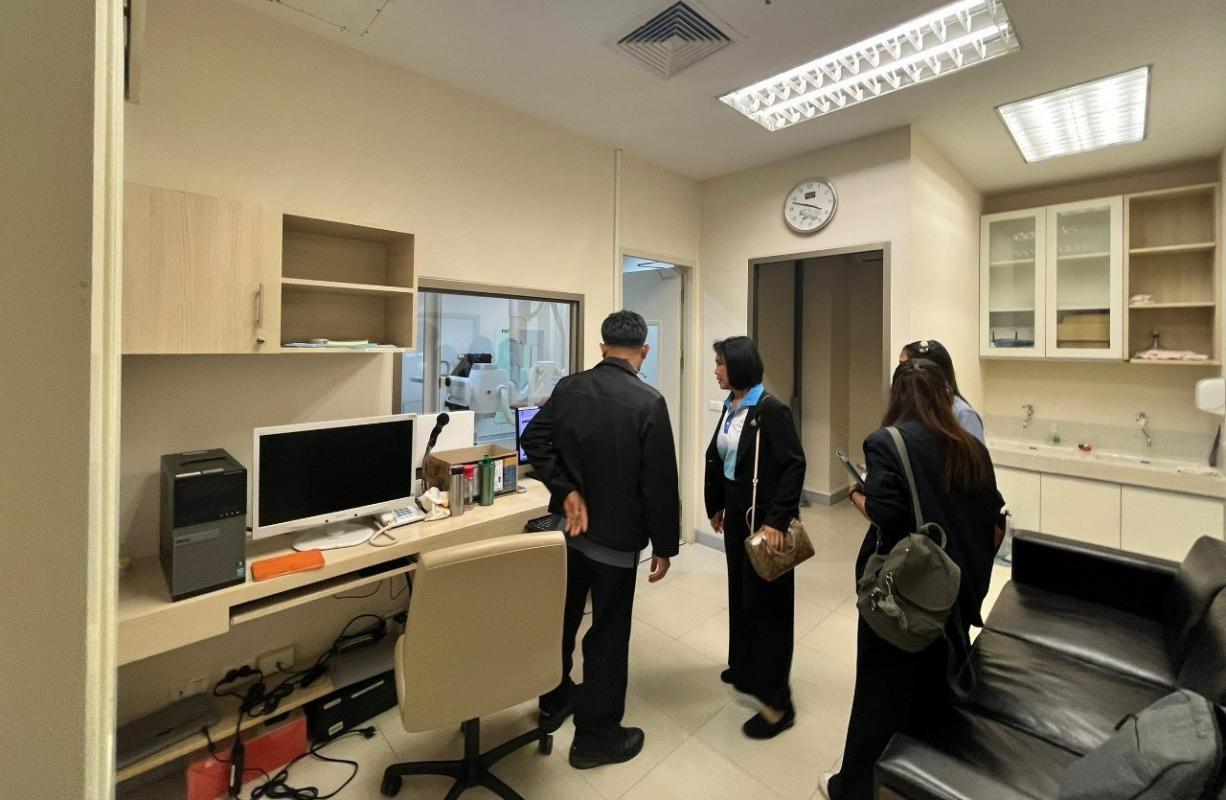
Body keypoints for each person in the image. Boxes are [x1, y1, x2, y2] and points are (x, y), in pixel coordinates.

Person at [823, 359, 1003, 800]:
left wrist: (857, 494)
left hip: (906, 594)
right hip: (955, 590)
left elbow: (886, 512)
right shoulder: (971, 448)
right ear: (945, 396)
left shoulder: (887, 442)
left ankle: (854, 788)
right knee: (932, 691)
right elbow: (994, 518)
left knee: (877, 696)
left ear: (897, 397)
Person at [521, 310, 680, 770]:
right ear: (644, 351)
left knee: (563, 619)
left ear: (602, 347)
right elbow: (659, 482)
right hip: (615, 543)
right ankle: (596, 737)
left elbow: (534, 439)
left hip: (568, 534)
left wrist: (566, 490)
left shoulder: (569, 388)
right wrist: (665, 545)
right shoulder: (649, 402)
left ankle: (553, 700)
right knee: (608, 635)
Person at [704, 336, 806, 739]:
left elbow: (794, 465)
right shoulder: (732, 405)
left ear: (739, 366)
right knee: (741, 594)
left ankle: (778, 705)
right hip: (737, 515)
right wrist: (717, 504)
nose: (716, 370)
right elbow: (722, 458)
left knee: (769, 608)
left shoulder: (771, 410)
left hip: (765, 523)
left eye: (720, 363)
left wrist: (778, 521)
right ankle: (746, 668)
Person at [899, 339, 984, 443]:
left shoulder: (963, 414)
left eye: (905, 366)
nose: (900, 373)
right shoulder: (907, 410)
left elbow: (976, 452)